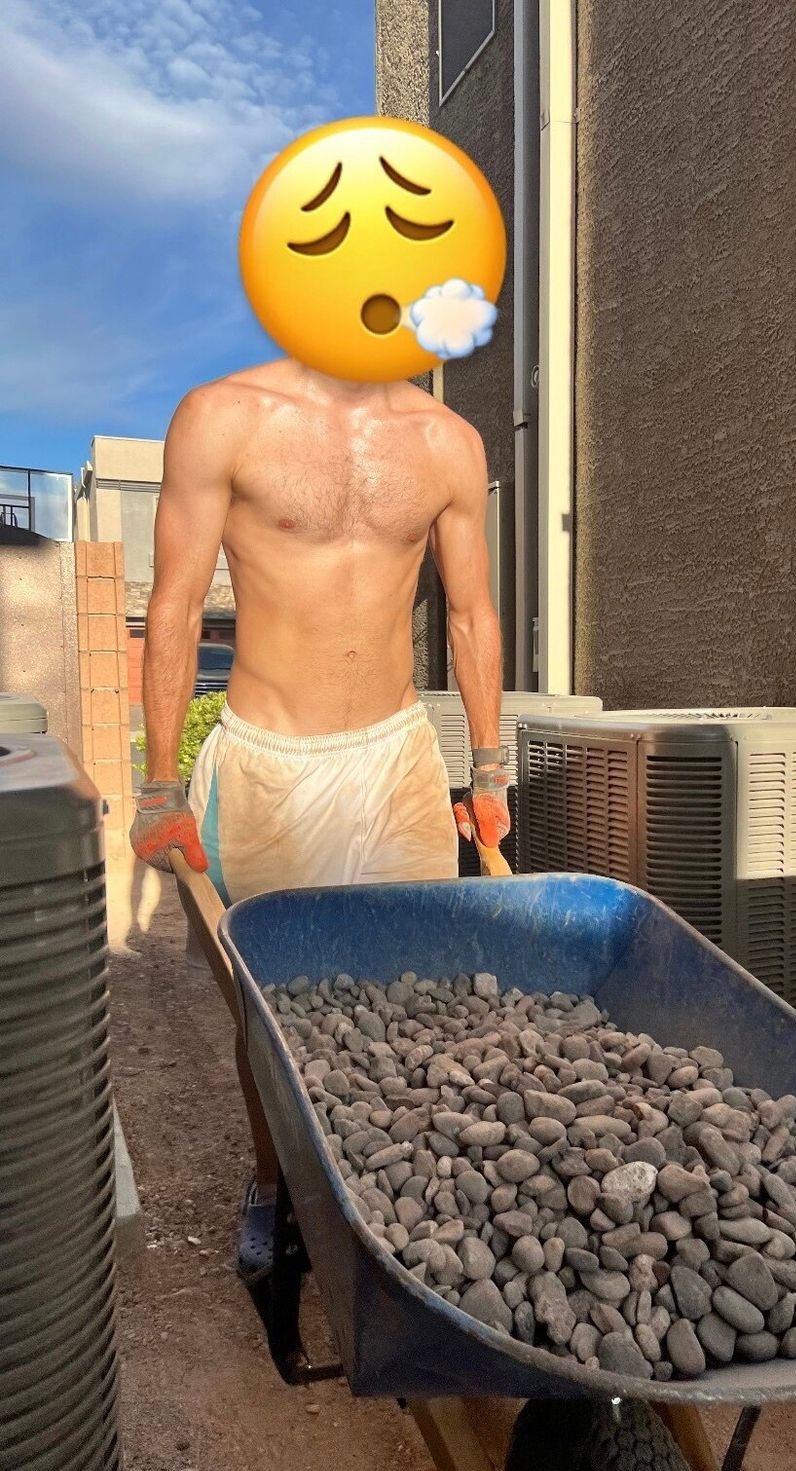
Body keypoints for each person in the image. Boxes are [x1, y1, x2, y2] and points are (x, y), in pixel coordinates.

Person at [129, 358, 510, 1282]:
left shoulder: (447, 441)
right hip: (269, 762)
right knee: (271, 1014)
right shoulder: (223, 415)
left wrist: (488, 769)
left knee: (417, 998)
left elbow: (470, 613)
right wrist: (159, 786)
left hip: (396, 757)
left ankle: (393, 1188)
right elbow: (176, 604)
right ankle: (275, 1185)